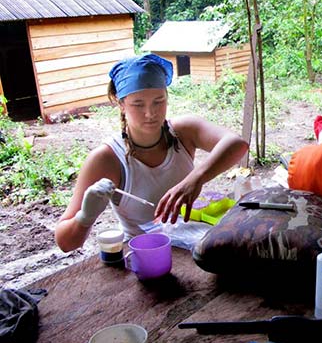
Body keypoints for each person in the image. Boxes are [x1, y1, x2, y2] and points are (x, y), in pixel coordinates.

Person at [54, 53, 248, 252]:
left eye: (158, 101)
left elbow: (237, 145)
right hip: (146, 255)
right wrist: (85, 217)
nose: (150, 113)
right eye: (138, 104)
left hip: (192, 244)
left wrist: (195, 179)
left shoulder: (183, 132)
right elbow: (66, 243)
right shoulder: (107, 158)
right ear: (121, 104)